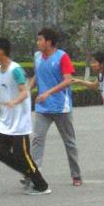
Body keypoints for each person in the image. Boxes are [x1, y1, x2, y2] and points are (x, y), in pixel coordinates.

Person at [0, 38, 51, 195]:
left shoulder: (16, 70)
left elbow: (25, 92)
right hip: (6, 121)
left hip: (20, 121)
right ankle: (28, 173)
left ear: (1, 51)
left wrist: (14, 102)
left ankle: (42, 186)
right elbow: (1, 93)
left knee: (22, 155)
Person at [30, 27, 82, 186]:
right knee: (37, 140)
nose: (37, 43)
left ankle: (76, 175)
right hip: (43, 108)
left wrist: (48, 93)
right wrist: (27, 90)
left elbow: (68, 80)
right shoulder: (37, 56)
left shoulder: (62, 57)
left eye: (40, 40)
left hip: (61, 107)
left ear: (49, 42)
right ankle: (33, 174)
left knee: (69, 142)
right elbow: (37, 75)